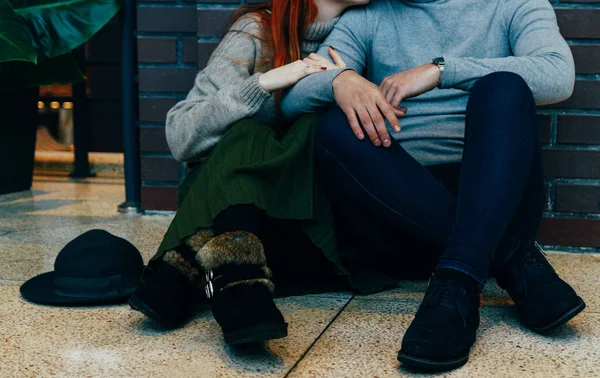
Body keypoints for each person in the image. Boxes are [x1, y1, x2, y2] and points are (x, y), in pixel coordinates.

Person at [281, 0, 585, 371]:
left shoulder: (514, 4)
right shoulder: (368, 17)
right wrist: (340, 80)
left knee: (504, 88)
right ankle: (510, 260)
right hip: (399, 212)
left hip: (495, 196)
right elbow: (291, 100)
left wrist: (442, 70)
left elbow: (558, 74)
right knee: (330, 126)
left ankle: (457, 281)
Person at [129, 0, 370, 346]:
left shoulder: (365, 31)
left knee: (308, 132)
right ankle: (240, 285)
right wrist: (265, 83)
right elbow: (182, 136)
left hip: (305, 210)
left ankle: (187, 264)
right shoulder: (257, 30)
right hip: (229, 192)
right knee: (250, 136)